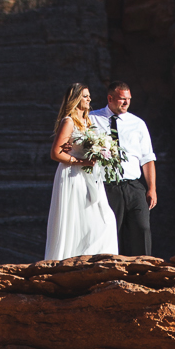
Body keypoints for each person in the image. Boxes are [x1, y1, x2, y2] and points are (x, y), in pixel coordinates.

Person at [43, 82, 119, 260]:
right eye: (85, 96)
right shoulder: (68, 121)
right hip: (73, 175)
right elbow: (55, 153)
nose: (89, 99)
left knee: (105, 217)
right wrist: (80, 161)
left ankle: (93, 257)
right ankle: (74, 258)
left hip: (89, 175)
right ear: (76, 99)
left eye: (89, 95)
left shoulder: (88, 122)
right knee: (78, 217)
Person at [90, 80, 156, 253]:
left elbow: (147, 158)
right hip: (106, 186)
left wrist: (152, 189)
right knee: (110, 232)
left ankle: (144, 269)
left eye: (129, 99)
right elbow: (77, 143)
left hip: (134, 186)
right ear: (110, 98)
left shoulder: (138, 124)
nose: (126, 102)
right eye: (121, 99)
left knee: (142, 228)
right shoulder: (92, 119)